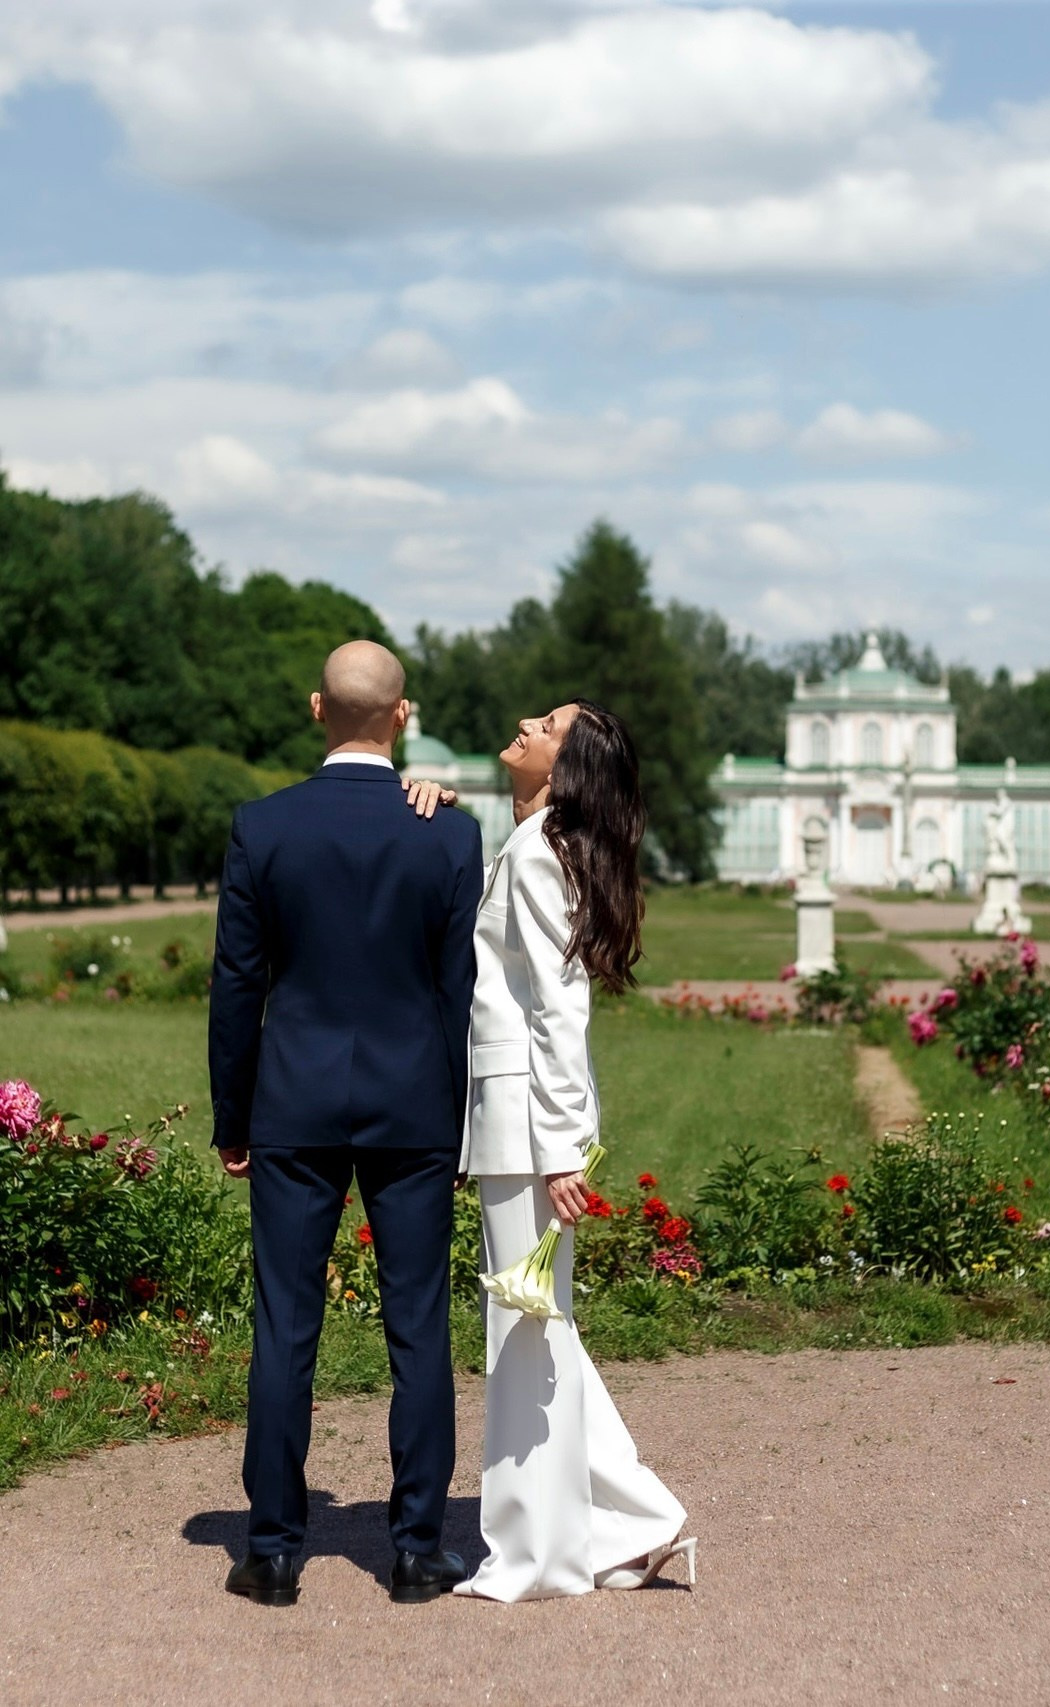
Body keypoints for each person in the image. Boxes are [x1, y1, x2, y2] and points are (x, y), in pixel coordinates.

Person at [209, 641, 483, 1607]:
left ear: (317, 707)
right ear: (402, 716)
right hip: (415, 1105)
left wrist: (231, 1116)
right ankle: (415, 1550)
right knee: (419, 1326)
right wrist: (463, 1122)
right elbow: (462, 995)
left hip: (295, 1100)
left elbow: (239, 985)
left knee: (285, 1325)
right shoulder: (449, 834)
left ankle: (273, 1550)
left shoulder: (263, 826)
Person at [406, 700, 694, 1600]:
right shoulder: (534, 840)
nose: (527, 720)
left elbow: (557, 1012)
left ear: (566, 767)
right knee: (538, 1322)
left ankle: (535, 1555)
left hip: (528, 1125)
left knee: (523, 1328)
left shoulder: (538, 851)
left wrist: (563, 1149)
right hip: (521, 1120)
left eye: (551, 723)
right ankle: (638, 1520)